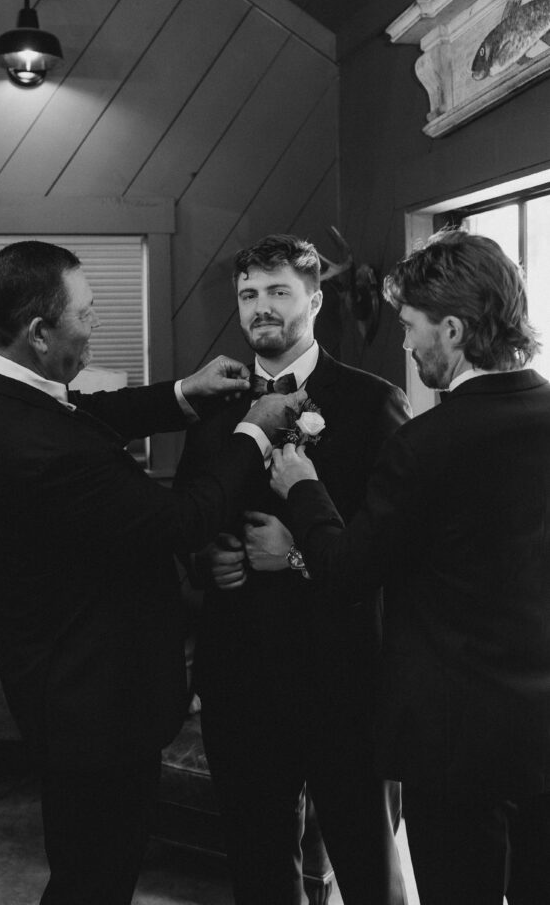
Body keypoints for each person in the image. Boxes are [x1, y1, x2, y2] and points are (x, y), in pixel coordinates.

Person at [0, 239, 305, 905]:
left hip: (60, 685)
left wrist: (180, 394)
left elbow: (84, 415)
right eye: (84, 312)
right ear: (38, 331)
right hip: (96, 704)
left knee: (89, 866)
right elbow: (179, 523)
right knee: (95, 879)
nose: (95, 324)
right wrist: (252, 433)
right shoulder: (37, 448)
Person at [258, 229, 550, 905]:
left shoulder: (426, 444)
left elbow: (345, 572)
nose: (405, 346)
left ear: (452, 328)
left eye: (411, 328)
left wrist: (301, 485)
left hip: (452, 741)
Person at [173, 233, 411, 905]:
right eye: (249, 294)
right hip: (238, 678)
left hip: (342, 679)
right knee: (256, 866)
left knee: (367, 868)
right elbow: (189, 513)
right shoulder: (214, 406)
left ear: (313, 297)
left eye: (277, 291)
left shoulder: (373, 403)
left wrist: (300, 551)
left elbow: (394, 547)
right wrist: (208, 556)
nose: (261, 307)